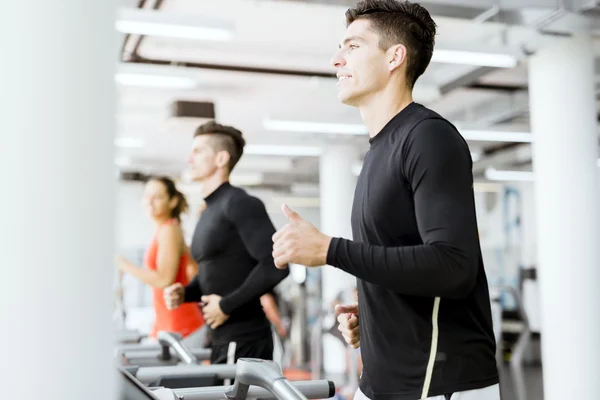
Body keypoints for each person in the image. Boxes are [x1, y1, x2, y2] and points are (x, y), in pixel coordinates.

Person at [271, 1, 499, 399]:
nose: (336, 59)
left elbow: (453, 265)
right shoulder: (380, 150)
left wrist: (329, 250)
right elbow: (407, 260)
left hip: (436, 382)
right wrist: (375, 311)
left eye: (353, 47)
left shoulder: (428, 138)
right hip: (382, 381)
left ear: (395, 56)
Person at [163, 120, 289, 371]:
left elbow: (276, 265)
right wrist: (186, 293)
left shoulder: (240, 203)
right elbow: (218, 271)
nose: (190, 158)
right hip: (222, 337)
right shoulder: (208, 211)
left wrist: (226, 305)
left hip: (245, 339)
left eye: (198, 151)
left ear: (221, 158)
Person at [117, 176, 205, 347]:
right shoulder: (164, 230)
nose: (150, 202)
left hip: (182, 327)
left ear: (172, 202)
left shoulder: (169, 230)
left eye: (157, 197)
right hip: (168, 325)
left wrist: (125, 265)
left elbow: (164, 280)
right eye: (147, 195)